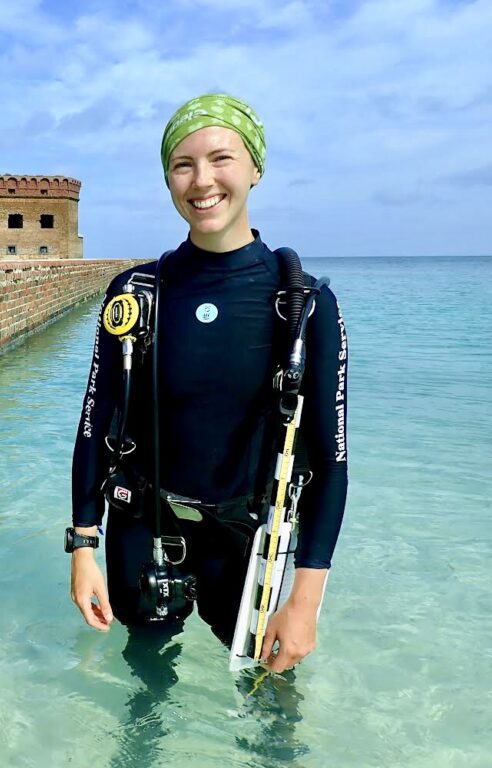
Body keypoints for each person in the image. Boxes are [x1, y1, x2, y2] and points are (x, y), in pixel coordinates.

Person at [67, 94, 348, 674]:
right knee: (143, 679)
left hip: (247, 546)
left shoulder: (304, 305)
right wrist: (84, 547)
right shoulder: (133, 293)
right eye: (182, 164)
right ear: (167, 177)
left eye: (221, 159)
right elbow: (95, 424)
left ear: (255, 169)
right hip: (141, 530)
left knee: (268, 699)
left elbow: (330, 460)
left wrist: (305, 600)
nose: (202, 181)